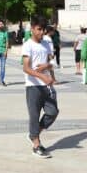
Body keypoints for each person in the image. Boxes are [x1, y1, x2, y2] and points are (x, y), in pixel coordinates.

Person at [22, 15, 59, 158]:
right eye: (38, 29)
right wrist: (42, 76)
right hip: (33, 86)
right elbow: (26, 68)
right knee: (34, 115)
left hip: (47, 86)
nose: (41, 32)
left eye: (43, 29)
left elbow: (53, 62)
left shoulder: (47, 43)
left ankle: (33, 133)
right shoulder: (28, 45)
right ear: (32, 29)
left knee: (53, 112)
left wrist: (47, 66)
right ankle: (36, 145)